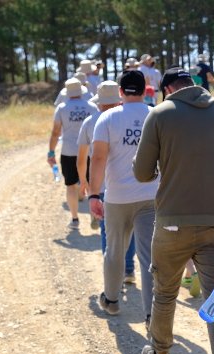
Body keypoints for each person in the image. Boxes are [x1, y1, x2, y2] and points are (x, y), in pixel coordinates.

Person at [133, 67, 214, 354]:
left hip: (172, 222)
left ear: (168, 88)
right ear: (194, 85)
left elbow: (141, 173)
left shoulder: (160, 115)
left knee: (165, 293)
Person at [88, 70, 158, 326]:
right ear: (144, 89)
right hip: (151, 195)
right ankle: (151, 314)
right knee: (149, 256)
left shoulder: (107, 118)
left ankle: (112, 299)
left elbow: (98, 158)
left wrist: (94, 194)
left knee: (115, 250)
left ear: (120, 92)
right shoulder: (155, 115)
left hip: (117, 196)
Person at [76, 80, 137, 281]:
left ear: (99, 103)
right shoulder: (130, 118)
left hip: (103, 185)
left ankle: (112, 274)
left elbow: (83, 157)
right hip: (132, 183)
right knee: (131, 228)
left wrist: (84, 183)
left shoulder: (90, 122)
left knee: (107, 232)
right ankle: (128, 269)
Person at [47, 77, 97, 230]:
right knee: (91, 185)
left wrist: (50, 152)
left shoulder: (62, 108)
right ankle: (94, 216)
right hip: (88, 151)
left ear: (67, 93)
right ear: (81, 92)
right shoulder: (92, 107)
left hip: (68, 151)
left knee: (70, 185)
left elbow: (56, 132)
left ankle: (75, 219)